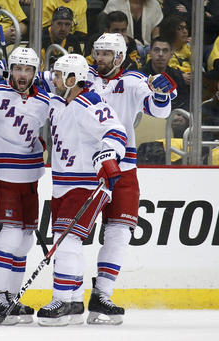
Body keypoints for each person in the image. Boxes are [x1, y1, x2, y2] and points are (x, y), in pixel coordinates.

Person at [86, 32, 174, 324]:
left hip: (123, 167)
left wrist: (161, 94)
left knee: (120, 232)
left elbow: (158, 111)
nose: (99, 58)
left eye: (106, 54)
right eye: (97, 52)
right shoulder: (82, 75)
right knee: (73, 236)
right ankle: (68, 297)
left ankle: (102, 295)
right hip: (85, 168)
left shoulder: (134, 81)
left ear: (120, 57)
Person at [36, 53, 127, 326]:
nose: (54, 79)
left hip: (87, 183)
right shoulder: (57, 100)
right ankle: (74, 299)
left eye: (59, 75)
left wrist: (108, 157)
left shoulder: (91, 102)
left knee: (67, 240)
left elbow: (116, 132)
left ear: (73, 78)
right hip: (62, 183)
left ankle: (61, 299)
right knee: (65, 240)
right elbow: (34, 79)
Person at [0, 47, 49, 324]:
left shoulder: (44, 100)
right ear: (10, 68)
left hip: (30, 177)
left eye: (28, 69)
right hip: (0, 173)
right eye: (18, 68)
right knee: (7, 237)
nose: (22, 74)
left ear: (35, 72)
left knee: (24, 241)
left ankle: (11, 297)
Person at [139, 36, 189, 110]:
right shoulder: (140, 77)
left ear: (171, 54)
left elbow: (184, 102)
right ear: (149, 53)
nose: (160, 54)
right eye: (156, 50)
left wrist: (178, 115)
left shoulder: (177, 76)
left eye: (165, 51)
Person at [158, 16, 191, 87]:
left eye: (186, 28)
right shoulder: (159, 51)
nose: (185, 31)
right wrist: (180, 78)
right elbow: (157, 75)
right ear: (170, 31)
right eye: (180, 29)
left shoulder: (190, 49)